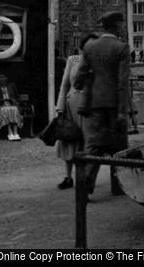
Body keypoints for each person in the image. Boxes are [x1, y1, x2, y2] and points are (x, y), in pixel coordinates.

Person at [75, 11, 130, 196]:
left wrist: (82, 85)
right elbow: (123, 83)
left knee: (93, 145)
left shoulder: (90, 47)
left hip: (95, 104)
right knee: (119, 145)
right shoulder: (121, 47)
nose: (122, 27)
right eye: (121, 24)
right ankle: (118, 186)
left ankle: (86, 182)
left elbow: (79, 75)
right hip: (115, 105)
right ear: (115, 25)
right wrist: (123, 111)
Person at [55, 33, 99, 189]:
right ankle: (68, 177)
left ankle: (85, 179)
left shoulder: (99, 63)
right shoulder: (72, 61)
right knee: (69, 139)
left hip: (90, 107)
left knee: (88, 143)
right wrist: (59, 107)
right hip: (71, 106)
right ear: (82, 46)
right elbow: (64, 85)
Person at [0, 74, 24, 141]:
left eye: (5, 77)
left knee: (14, 109)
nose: (3, 79)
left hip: (11, 105)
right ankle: (10, 133)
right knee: (5, 110)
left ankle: (16, 133)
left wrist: (16, 101)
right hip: (0, 107)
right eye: (2, 77)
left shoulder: (11, 86)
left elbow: (17, 96)